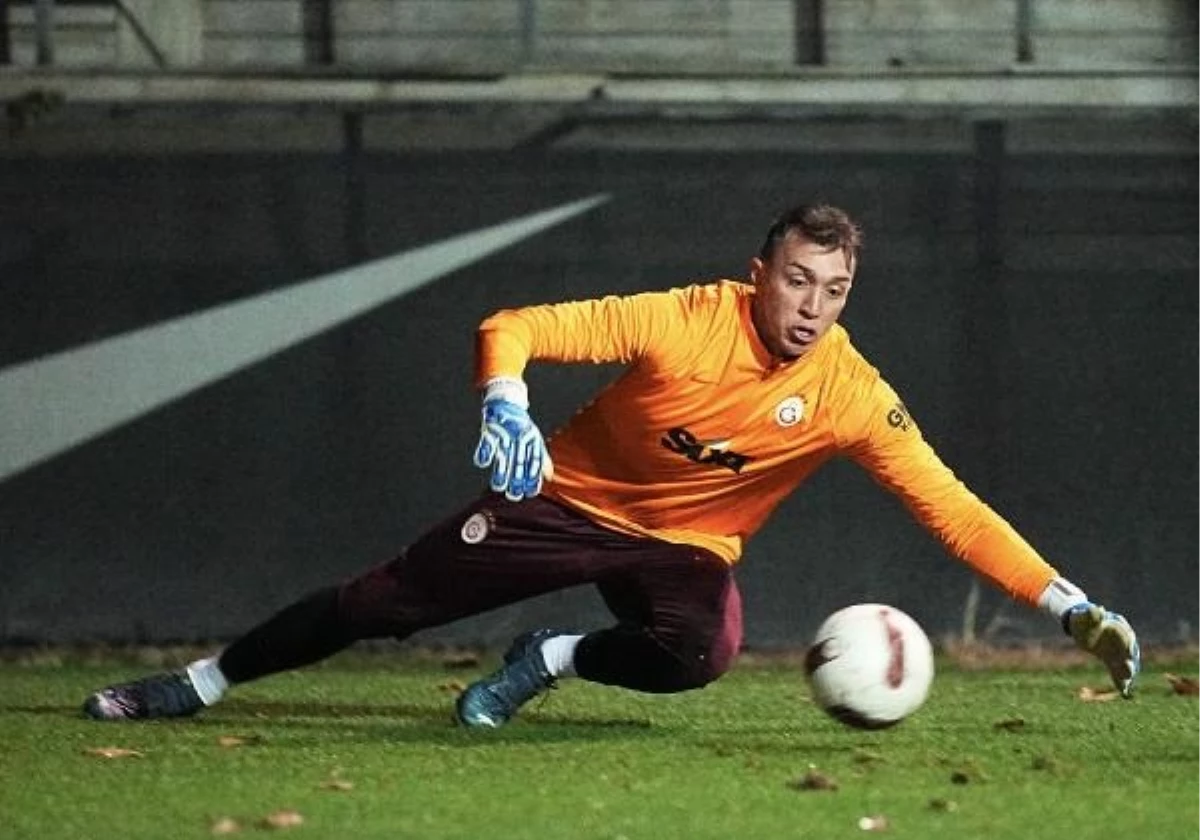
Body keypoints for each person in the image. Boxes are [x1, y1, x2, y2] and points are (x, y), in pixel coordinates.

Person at [83, 204, 1140, 727]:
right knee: (384, 603)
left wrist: (1070, 604)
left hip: (684, 543)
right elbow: (516, 322)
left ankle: (552, 658)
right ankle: (201, 680)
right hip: (566, 497)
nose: (814, 308)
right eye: (800, 282)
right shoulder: (682, 320)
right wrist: (505, 394)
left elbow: (951, 508)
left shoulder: (852, 393)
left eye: (836, 291)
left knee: (701, 651)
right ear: (758, 272)